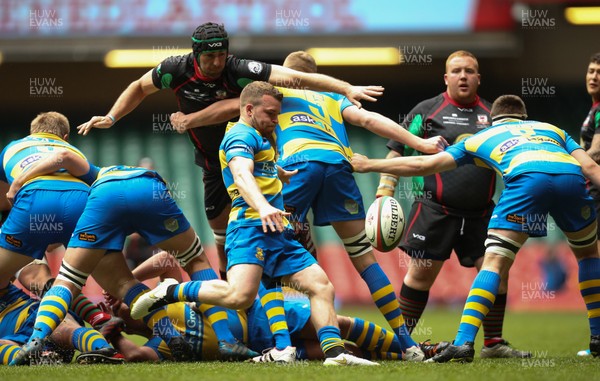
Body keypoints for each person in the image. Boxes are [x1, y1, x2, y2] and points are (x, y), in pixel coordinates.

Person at [76, 22, 382, 282]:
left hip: (252, 156)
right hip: (212, 163)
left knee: (274, 226)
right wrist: (112, 117)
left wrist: (345, 88)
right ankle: (228, 283)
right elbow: (139, 87)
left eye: (222, 54)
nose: (217, 61)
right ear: (196, 54)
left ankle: (284, 289)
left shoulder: (239, 69)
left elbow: (296, 78)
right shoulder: (174, 69)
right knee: (220, 232)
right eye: (210, 56)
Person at [130, 81, 378, 366]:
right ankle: (170, 291)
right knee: (239, 295)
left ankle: (334, 354)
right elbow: (241, 173)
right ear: (249, 109)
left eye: (278, 114)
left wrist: (278, 173)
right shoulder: (239, 136)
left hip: (277, 232)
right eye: (271, 114)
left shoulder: (262, 137)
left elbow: (258, 168)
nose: (276, 120)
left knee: (321, 285)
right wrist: (262, 206)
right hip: (249, 229)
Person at [351, 94, 600, 362]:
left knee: (493, 264)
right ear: (525, 118)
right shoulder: (554, 130)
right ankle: (597, 338)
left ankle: (463, 343)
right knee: (588, 255)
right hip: (571, 179)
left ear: (493, 120)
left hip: (527, 180)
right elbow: (589, 166)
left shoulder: (481, 137)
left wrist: (369, 165)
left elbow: (424, 163)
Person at [265, 51, 447, 360]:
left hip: (298, 165)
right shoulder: (331, 97)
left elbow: (239, 109)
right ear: (315, 74)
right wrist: (421, 144)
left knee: (268, 250)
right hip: (339, 165)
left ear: (286, 72)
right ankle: (410, 346)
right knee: (365, 260)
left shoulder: (277, 92)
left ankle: (282, 346)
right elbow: (367, 119)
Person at [9, 155, 256, 365]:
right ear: (132, 324)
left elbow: (136, 351)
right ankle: (228, 341)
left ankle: (36, 339)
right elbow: (167, 262)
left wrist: (113, 328)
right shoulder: (163, 326)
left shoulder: (160, 328)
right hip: (147, 186)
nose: (123, 312)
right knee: (196, 261)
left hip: (107, 193)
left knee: (68, 281)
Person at [376, 50, 529, 358]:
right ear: (446, 78)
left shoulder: (493, 115)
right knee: (420, 274)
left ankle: (493, 344)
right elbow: (396, 152)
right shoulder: (426, 110)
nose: (463, 76)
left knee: (495, 272)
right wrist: (384, 191)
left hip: (481, 212)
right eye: (456, 71)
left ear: (478, 78)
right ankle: (402, 346)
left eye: (469, 71)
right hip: (434, 208)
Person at [106, 251, 436, 362]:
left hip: (259, 313)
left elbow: (167, 258)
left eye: (125, 302)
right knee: (340, 352)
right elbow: (137, 357)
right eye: (122, 311)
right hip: (258, 347)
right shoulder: (158, 342)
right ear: (128, 325)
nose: (123, 307)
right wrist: (112, 335)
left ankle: (418, 349)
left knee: (340, 325)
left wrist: (128, 280)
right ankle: (396, 354)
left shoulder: (165, 296)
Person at [0, 111, 93, 303]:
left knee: (30, 277)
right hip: (82, 201)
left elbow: (3, 199)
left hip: (34, 200)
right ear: (65, 137)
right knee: (118, 282)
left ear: (31, 133)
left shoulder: (13, 148)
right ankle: (103, 317)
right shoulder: (76, 151)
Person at [1, 262, 124, 365]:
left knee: (64, 327)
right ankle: (37, 359)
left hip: (35, 314)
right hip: (17, 341)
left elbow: (11, 264)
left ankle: (103, 350)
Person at [577, 52, 600, 357]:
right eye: (591, 70)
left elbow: (596, 152)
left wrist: (566, 161)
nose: (594, 76)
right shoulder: (594, 109)